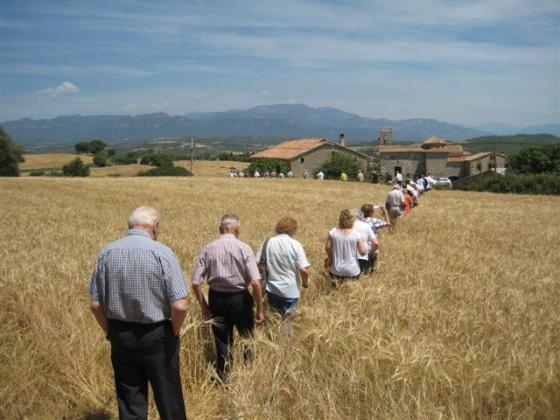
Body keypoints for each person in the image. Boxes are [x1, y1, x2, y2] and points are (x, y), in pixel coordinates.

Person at [89, 206, 188, 420]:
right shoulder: (162, 252)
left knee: (130, 399)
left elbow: (95, 305)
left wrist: (111, 332)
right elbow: (180, 306)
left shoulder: (107, 252)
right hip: (157, 334)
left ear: (131, 225)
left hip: (120, 335)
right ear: (155, 226)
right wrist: (173, 330)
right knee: (168, 397)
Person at [192, 214, 265, 382]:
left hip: (216, 298)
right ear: (236, 229)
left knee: (222, 340)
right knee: (247, 337)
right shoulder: (244, 248)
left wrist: (204, 306)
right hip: (240, 298)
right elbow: (255, 282)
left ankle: (224, 379)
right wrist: (260, 309)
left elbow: (196, 282)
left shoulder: (208, 248)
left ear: (220, 229)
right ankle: (247, 376)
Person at [255, 217, 310, 322]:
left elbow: (256, 262)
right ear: (293, 229)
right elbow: (303, 270)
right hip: (290, 291)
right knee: (288, 323)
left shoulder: (267, 242)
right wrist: (305, 283)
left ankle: (274, 333)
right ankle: (286, 333)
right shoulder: (296, 245)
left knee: (274, 320)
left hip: (272, 289)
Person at [325, 209, 367, 283]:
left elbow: (327, 248)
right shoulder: (356, 235)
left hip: (335, 270)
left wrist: (330, 256)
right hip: (352, 270)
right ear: (352, 220)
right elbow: (363, 252)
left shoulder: (333, 232)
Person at [351, 209, 378, 275]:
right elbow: (375, 243)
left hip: (349, 257)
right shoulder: (366, 226)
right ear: (361, 217)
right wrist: (371, 253)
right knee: (364, 275)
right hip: (363, 256)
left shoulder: (346, 227)